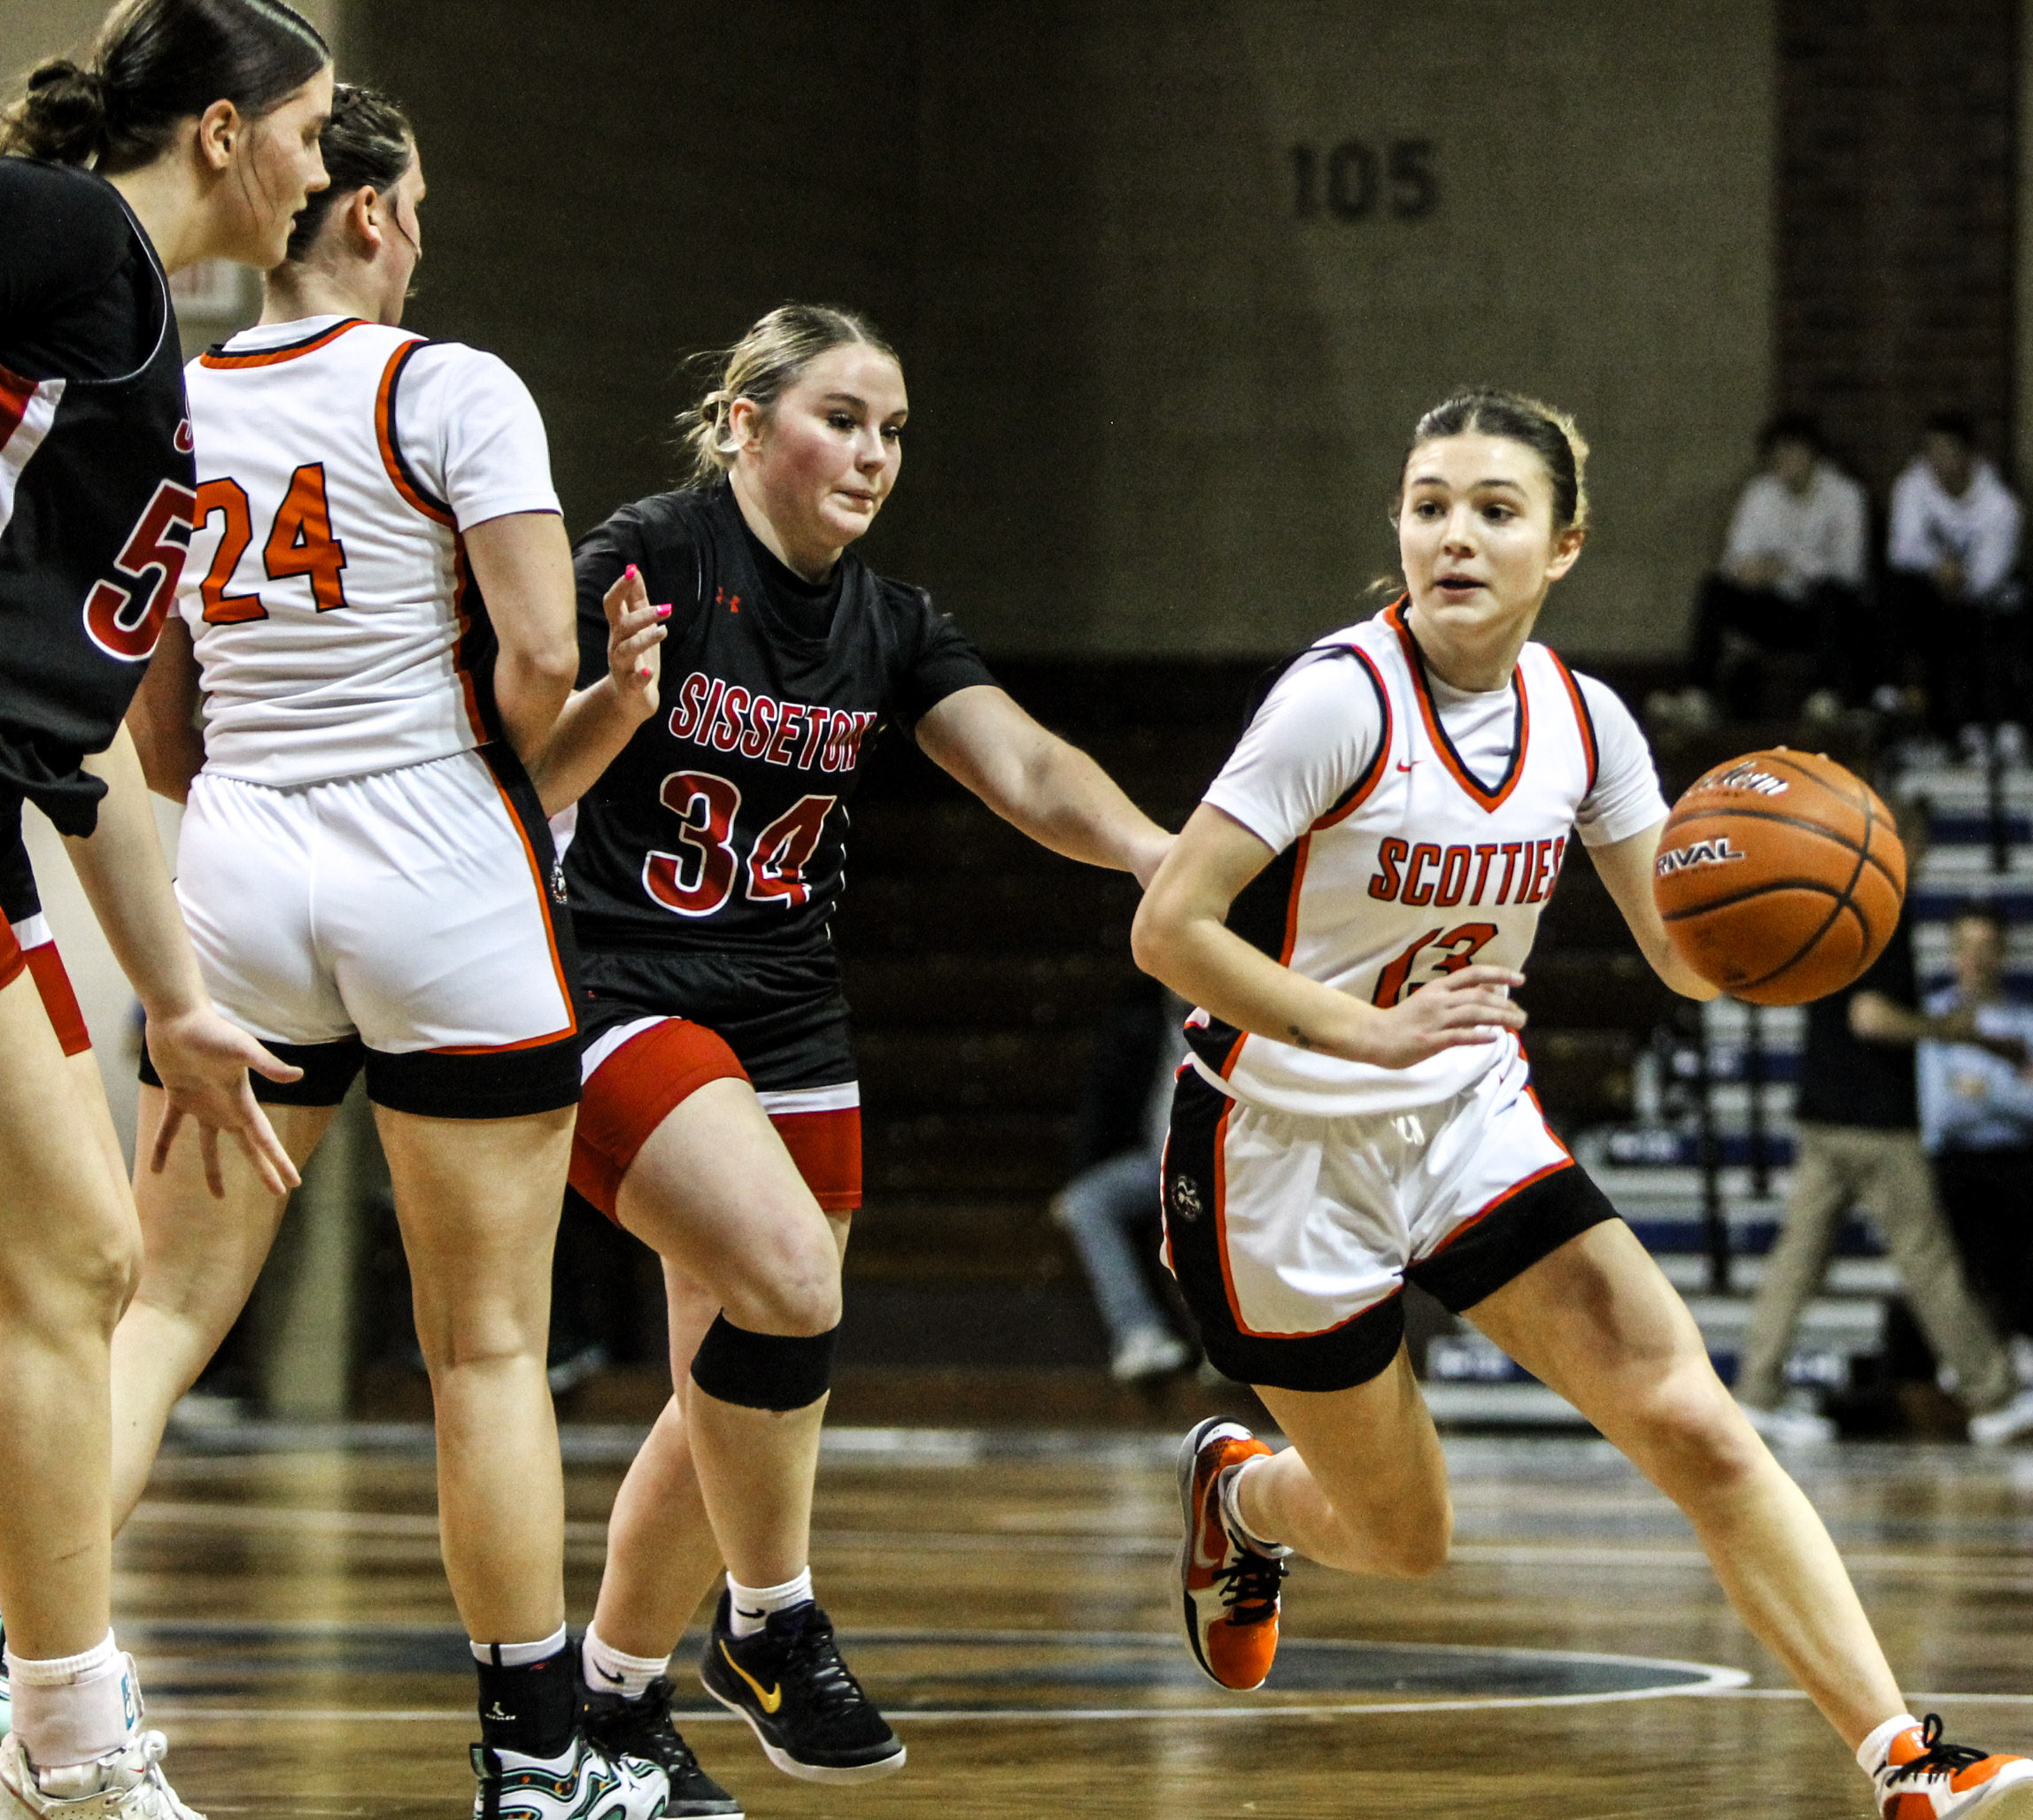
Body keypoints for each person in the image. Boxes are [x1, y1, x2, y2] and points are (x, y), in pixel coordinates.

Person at [1132, 387, 2033, 1820]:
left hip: (1462, 1119)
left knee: (1692, 1420)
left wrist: (1800, 916)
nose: (1454, 534)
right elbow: (1172, 931)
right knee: (1402, 1535)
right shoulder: (1336, 697)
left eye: (1494, 510)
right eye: (1427, 503)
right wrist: (1364, 1037)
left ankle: (1902, 1755)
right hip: (1276, 1148)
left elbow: (1685, 961)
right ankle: (1242, 1499)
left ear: (1561, 546)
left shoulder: (1585, 723)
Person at [102, 87, 667, 1817]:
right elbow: (532, 654)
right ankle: (531, 1754)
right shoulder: (454, 385)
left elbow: (161, 729)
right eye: (410, 203)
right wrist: (597, 715)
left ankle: (28, 1651)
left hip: (244, 857)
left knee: (158, 1308)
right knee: (484, 1345)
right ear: (364, 215)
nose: (420, 235)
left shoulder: (178, 407)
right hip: (435, 857)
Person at [559, 304, 1174, 1816]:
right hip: (611, 980)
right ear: (741, 422)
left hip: (787, 1007)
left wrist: (1163, 856)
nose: (874, 453)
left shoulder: (889, 624)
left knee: (740, 1383)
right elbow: (503, 751)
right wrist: (595, 704)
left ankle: (612, 1707)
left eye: (893, 430)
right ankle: (771, 1620)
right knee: (788, 1289)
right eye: (842, 416)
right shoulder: (642, 559)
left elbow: (1023, 766)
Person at [0, 5, 346, 1812]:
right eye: (309, 128)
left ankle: (61, 1732)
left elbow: (99, 750)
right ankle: (65, 1743)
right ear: (221, 132)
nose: (324, 163)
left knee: (78, 1258)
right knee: (71, 1259)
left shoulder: (141, 351)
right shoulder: (56, 234)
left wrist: (183, 996)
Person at [1742, 867, 2033, 1448]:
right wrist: (1957, 1033)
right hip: (1874, 1121)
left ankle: (1755, 1393)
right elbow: (1871, 1016)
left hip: (1823, 1110)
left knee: (1796, 1262)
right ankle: (1993, 1395)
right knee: (1930, 1261)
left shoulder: (1827, 907)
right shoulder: (1881, 914)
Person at [1918, 909, 2033, 1365]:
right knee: (1963, 1228)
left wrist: (1982, 1089)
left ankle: (2030, 1346)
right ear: (1952, 955)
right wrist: (2016, 1086)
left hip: (2021, 1155)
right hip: (1954, 1160)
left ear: (2003, 954)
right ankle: (1968, 1355)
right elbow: (1940, 1111)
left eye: (1986, 948)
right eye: (1965, 948)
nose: (1975, 960)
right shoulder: (1932, 1020)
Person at [1671, 411, 1867, 722]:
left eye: (1790, 452)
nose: (1782, 462)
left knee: (1834, 598)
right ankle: (1697, 696)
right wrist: (1752, 572)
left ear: (1810, 454)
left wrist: (1787, 567)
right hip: (1771, 608)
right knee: (1714, 589)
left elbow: (1849, 569)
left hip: (1817, 613)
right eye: (1776, 455)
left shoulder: (1843, 495)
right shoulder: (1761, 494)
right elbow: (1735, 558)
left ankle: (1827, 697)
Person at [1052, 981, 1195, 1383]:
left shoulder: (1244, 1014)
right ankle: (1140, 1333)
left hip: (1229, 1166)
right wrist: (1080, 1173)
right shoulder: (1140, 1019)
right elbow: (1100, 1102)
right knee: (1088, 1200)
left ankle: (1233, 1348)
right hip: (1155, 1163)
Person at [1885, 413, 2025, 755]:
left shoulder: (1999, 505)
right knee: (1898, 597)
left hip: (1979, 600)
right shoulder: (1912, 486)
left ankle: (1978, 725)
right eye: (1931, 453)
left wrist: (1959, 578)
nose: (1938, 463)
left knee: (1973, 625)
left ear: (1967, 455)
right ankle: (1892, 691)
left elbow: (1992, 571)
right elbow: (1901, 549)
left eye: (1946, 452)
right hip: (1928, 594)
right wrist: (1937, 566)